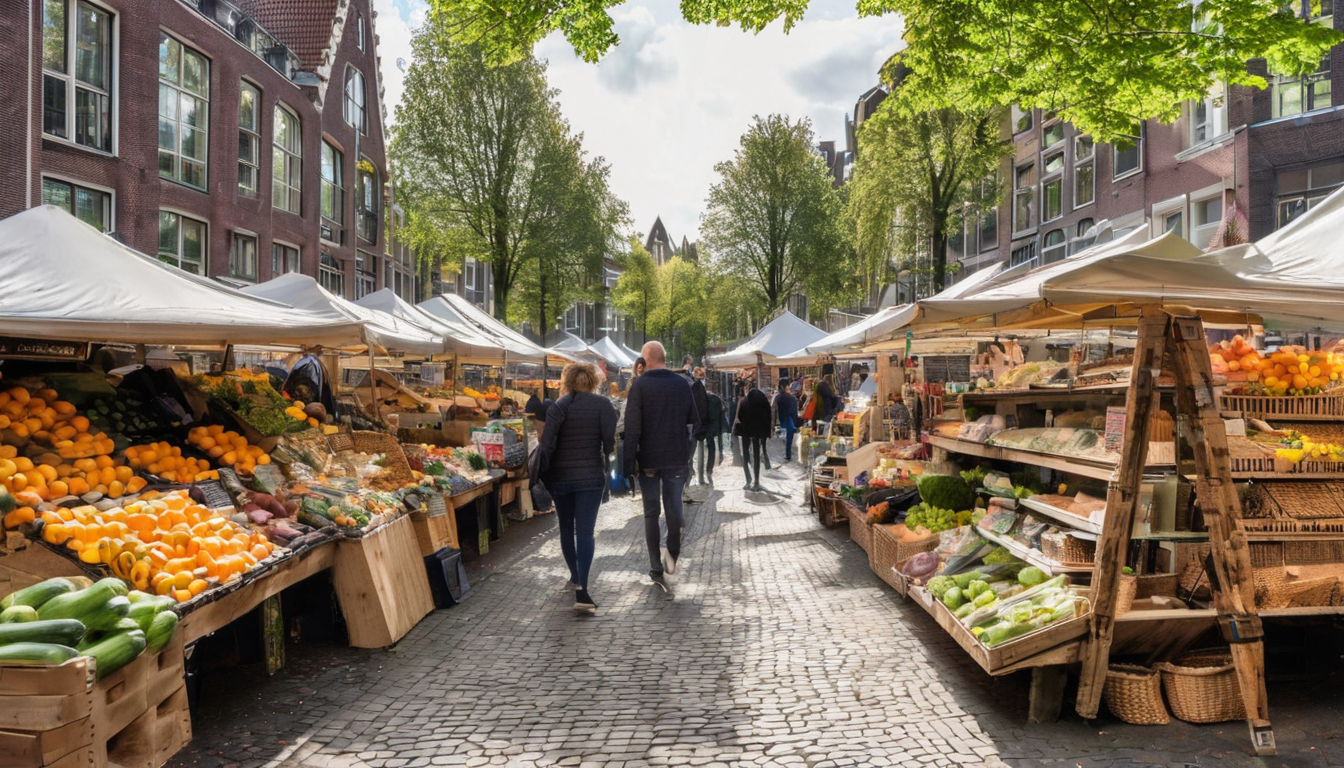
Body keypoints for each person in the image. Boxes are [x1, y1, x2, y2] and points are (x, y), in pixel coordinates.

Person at [537, 362, 617, 614]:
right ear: (594, 381)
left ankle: (574, 574)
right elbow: (608, 442)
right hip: (591, 477)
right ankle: (583, 589)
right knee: (585, 532)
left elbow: (546, 444)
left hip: (560, 477)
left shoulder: (558, 406)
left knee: (565, 528)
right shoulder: (604, 406)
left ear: (567, 381)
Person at [623, 341, 699, 588]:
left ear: (645, 360)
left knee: (651, 512)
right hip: (676, 458)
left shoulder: (640, 385)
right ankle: (672, 554)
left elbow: (632, 428)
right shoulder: (682, 384)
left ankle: (656, 565)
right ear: (664, 358)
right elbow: (694, 421)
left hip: (649, 460)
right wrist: (686, 449)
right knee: (674, 508)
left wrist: (628, 464)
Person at [733, 382, 772, 491]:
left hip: (745, 432)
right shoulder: (763, 402)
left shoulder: (745, 401)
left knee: (745, 455)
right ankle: (756, 481)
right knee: (756, 456)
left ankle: (748, 480)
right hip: (758, 432)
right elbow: (769, 418)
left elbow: (739, 417)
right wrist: (767, 432)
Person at [696, 370, 724, 484]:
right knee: (711, 448)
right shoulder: (716, 399)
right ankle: (708, 470)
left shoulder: (699, 398)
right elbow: (720, 415)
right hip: (711, 428)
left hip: (702, 427)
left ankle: (701, 473)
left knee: (699, 450)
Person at [688, 367, 710, 484]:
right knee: (692, 452)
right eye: (701, 375)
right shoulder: (697, 386)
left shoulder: (695, 386)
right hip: (697, 425)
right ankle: (695, 477)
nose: (703, 377)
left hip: (696, 425)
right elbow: (700, 407)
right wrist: (702, 424)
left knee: (693, 452)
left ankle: (695, 476)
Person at [773, 377, 800, 462]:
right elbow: (795, 412)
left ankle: (788, 454)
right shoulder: (792, 398)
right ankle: (788, 454)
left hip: (783, 420)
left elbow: (773, 410)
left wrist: (772, 424)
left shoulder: (777, 397)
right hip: (789, 421)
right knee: (789, 435)